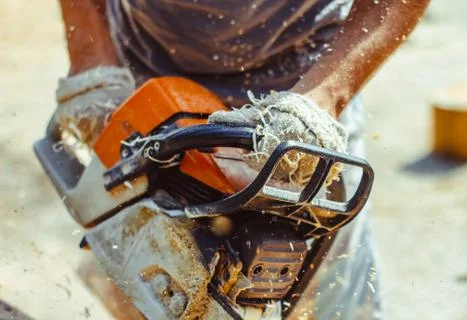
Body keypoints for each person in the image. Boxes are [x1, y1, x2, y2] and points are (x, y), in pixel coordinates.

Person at [54, 0, 430, 319]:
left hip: (310, 81)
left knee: (329, 296)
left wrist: (323, 100)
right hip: (146, 74)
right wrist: (92, 57)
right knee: (140, 274)